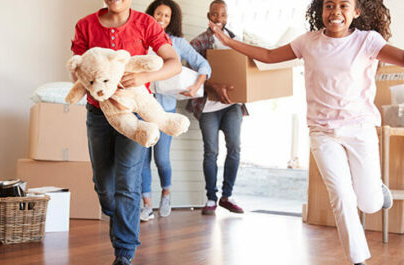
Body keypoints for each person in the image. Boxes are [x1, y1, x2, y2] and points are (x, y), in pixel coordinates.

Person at [210, 0, 404, 264]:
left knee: (369, 204)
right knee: (341, 195)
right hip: (322, 132)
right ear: (321, 10)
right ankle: (358, 259)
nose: (335, 11)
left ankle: (376, 189)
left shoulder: (367, 41)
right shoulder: (308, 42)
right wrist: (228, 41)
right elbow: (267, 56)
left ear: (356, 12)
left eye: (344, 5)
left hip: (359, 129)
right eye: (329, 5)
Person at [70, 0, 181, 264]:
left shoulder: (146, 24)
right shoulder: (84, 25)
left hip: (135, 115)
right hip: (98, 115)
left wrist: (144, 78)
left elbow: (173, 63)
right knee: (103, 186)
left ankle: (124, 252)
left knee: (127, 185)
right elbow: (78, 69)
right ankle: (118, 213)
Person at [139, 0, 212, 221]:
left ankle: (166, 193)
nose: (161, 19)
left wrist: (196, 85)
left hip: (165, 111)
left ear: (172, 20)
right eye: (158, 14)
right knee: (142, 160)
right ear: (150, 15)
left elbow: (204, 65)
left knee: (161, 159)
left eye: (166, 16)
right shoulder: (140, 39)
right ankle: (146, 205)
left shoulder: (177, 43)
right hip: (141, 108)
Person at [189, 0, 248, 215]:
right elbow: (190, 75)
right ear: (208, 16)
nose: (219, 19)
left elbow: (245, 70)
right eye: (214, 14)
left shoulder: (236, 41)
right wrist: (212, 84)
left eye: (223, 15)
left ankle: (227, 196)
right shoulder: (197, 43)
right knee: (211, 151)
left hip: (232, 105)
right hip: (208, 107)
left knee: (234, 148)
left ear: (227, 17)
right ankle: (211, 198)